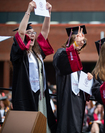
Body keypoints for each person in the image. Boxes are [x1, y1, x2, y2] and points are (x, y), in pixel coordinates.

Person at [10, 1, 57, 132]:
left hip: (40, 93)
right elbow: (20, 33)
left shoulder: (38, 52)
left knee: (43, 123)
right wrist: (28, 11)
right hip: (26, 93)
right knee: (28, 126)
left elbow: (45, 31)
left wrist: (48, 14)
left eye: (33, 33)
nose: (32, 34)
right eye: (28, 32)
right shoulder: (19, 53)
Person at [53, 25, 92, 133]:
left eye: (82, 42)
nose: (80, 44)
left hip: (77, 101)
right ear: (73, 39)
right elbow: (60, 64)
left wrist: (87, 79)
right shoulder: (61, 53)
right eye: (78, 40)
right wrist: (74, 45)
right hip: (66, 99)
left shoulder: (77, 62)